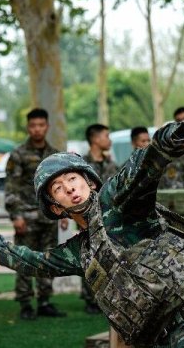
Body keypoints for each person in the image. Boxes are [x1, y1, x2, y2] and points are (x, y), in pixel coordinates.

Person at [0, 112, 184, 347]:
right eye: (57, 187)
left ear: (89, 181)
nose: (68, 188)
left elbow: (145, 162)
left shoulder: (118, 201)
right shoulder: (80, 251)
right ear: (56, 207)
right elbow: (29, 261)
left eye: (72, 178)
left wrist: (175, 136)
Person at [4, 108, 66, 320]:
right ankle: (25, 304)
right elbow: (11, 187)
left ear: (47, 126)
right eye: (33, 126)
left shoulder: (55, 155)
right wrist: (16, 216)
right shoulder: (18, 154)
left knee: (48, 259)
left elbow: (59, 186)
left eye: (41, 125)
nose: (37, 129)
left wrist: (64, 213)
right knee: (24, 259)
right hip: (26, 218)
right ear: (28, 128)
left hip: (48, 217)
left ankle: (45, 301)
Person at [82, 123, 118, 314]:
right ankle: (89, 298)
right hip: (88, 218)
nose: (109, 139)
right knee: (90, 257)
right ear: (95, 139)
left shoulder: (110, 163)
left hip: (109, 218)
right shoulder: (82, 164)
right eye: (106, 135)